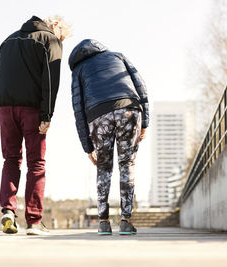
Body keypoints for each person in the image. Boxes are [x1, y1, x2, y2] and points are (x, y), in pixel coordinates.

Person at [0, 15, 71, 235]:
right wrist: (47, 115)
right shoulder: (50, 40)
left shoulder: (8, 40)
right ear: (56, 27)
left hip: (4, 109)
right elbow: (52, 79)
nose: (60, 40)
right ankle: (34, 221)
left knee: (11, 160)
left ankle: (7, 211)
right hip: (32, 110)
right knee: (36, 164)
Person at [69, 39, 149, 235]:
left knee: (104, 168)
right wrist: (145, 120)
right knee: (127, 163)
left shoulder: (78, 70)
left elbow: (78, 109)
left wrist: (87, 146)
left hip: (98, 115)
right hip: (129, 108)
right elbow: (141, 86)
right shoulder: (117, 55)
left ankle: (103, 222)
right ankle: (125, 221)